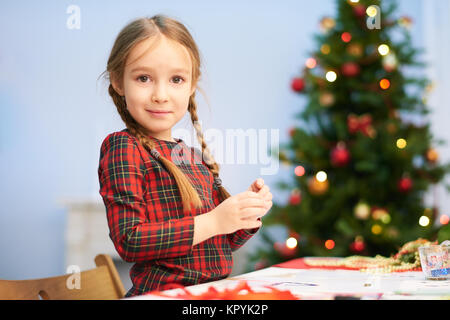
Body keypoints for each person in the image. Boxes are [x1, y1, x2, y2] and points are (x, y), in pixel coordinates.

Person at [98, 14, 273, 297]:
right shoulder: (123, 147)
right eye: (144, 78)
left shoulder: (188, 155)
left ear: (192, 84)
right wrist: (214, 221)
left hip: (208, 293)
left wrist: (244, 214)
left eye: (176, 79)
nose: (161, 94)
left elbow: (220, 242)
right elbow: (129, 240)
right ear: (118, 81)